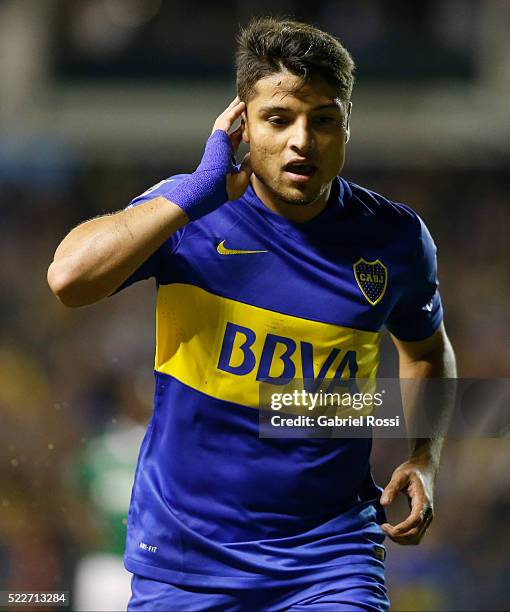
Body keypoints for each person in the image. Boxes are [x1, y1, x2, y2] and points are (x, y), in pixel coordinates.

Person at [48, 17, 456, 612]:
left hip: (330, 559)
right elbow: (67, 280)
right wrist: (194, 191)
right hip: (185, 564)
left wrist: (424, 457)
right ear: (240, 122)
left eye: (323, 119)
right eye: (278, 118)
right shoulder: (187, 214)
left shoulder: (393, 238)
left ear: (347, 126)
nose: (302, 140)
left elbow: (426, 351)